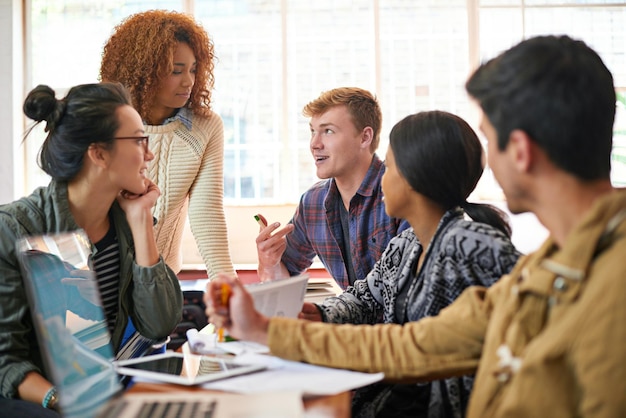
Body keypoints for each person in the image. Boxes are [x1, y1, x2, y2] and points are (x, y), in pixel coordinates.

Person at [206, 35, 626, 417]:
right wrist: (266, 329)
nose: (485, 163)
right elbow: (413, 345)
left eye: (488, 138)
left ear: (519, 151)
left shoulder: (609, 283)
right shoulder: (545, 268)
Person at [298, 110, 521, 417]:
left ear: (416, 177)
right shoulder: (406, 244)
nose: (381, 179)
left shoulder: (472, 245)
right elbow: (365, 299)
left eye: (388, 168)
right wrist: (320, 314)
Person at [0, 82, 183, 417]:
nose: (150, 153)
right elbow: (5, 360)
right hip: (38, 401)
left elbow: (159, 326)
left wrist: (141, 222)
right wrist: (63, 402)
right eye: (139, 140)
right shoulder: (14, 228)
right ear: (98, 153)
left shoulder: (125, 222)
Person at [99, 10, 234, 276]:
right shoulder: (103, 122)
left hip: (162, 282)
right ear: (143, 72)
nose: (189, 81)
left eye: (194, 69)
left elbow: (207, 213)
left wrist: (228, 287)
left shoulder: (205, 127)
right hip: (101, 278)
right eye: (175, 70)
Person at [256, 87, 409, 288]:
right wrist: (269, 262)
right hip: (347, 316)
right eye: (312, 131)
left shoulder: (405, 193)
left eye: (328, 131)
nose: (314, 144)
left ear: (365, 137)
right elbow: (282, 281)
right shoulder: (313, 202)